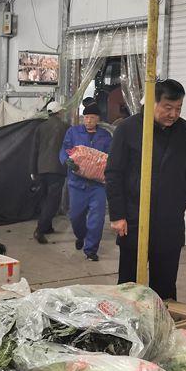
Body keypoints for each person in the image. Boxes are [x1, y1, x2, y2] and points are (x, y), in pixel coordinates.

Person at [104, 79, 186, 300]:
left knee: (165, 285)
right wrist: (118, 215)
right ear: (153, 103)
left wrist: (183, 196)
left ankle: (162, 317)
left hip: (169, 220)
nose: (173, 114)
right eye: (168, 107)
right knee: (129, 285)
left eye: (178, 108)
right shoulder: (128, 128)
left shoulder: (182, 129)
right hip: (134, 218)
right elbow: (113, 173)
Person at [59, 102, 112, 261]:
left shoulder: (105, 136)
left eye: (92, 118)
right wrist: (67, 160)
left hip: (98, 186)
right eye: (86, 117)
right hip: (77, 183)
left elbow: (111, 156)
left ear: (98, 119)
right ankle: (81, 236)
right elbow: (64, 149)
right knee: (76, 216)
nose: (88, 120)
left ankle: (91, 250)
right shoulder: (73, 132)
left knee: (97, 219)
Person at [31, 101, 69, 243]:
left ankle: (47, 227)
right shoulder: (65, 127)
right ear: (59, 112)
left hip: (41, 168)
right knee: (53, 201)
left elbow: (34, 150)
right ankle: (40, 230)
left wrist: (33, 170)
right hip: (57, 168)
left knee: (45, 199)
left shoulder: (40, 127)